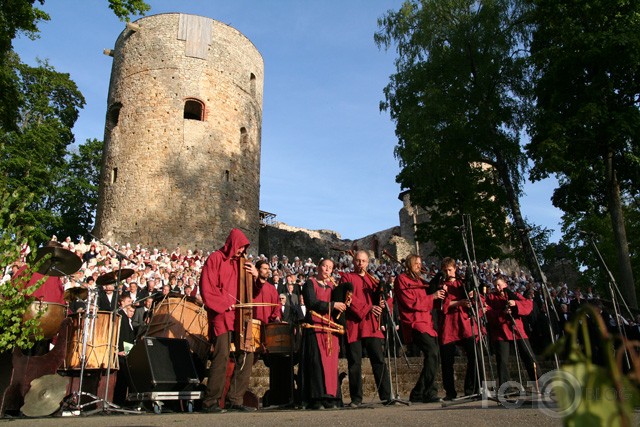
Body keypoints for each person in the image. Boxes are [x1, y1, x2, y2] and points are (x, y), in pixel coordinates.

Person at [199, 228, 258, 413]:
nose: (241, 251)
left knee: (247, 355)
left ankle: (235, 399)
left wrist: (256, 277)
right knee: (222, 355)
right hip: (222, 315)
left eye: (244, 248)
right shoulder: (215, 258)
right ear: (232, 243)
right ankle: (211, 402)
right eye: (239, 247)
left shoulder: (243, 263)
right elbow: (207, 286)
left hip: (240, 316)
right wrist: (226, 303)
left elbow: (253, 293)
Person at [340, 250, 391, 407]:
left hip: (372, 324)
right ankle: (356, 398)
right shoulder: (346, 277)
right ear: (353, 262)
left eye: (363, 261)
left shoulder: (374, 281)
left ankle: (387, 396)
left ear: (368, 263)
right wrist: (369, 307)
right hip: (355, 323)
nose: (360, 263)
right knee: (354, 362)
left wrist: (383, 302)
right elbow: (348, 297)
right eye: (357, 260)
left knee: (379, 360)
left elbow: (386, 299)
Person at [395, 254, 445, 403]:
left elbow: (431, 298)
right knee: (432, 353)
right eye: (416, 263)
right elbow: (410, 302)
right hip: (414, 323)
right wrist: (433, 297)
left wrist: (438, 291)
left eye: (420, 263)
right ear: (409, 264)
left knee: (434, 357)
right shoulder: (401, 280)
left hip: (427, 323)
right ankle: (428, 391)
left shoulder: (420, 281)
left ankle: (420, 392)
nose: (419, 266)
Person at [300, 258, 346, 409]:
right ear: (318, 267)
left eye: (330, 267)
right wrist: (332, 305)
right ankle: (317, 398)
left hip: (331, 329)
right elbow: (312, 303)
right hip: (315, 327)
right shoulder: (309, 284)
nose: (327, 270)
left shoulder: (333, 287)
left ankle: (331, 397)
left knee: (331, 364)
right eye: (325, 266)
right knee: (316, 363)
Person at [439, 257, 484, 401]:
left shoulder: (463, 283)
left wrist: (473, 294)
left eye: (450, 270)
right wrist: (458, 302)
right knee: (447, 362)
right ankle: (450, 392)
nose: (448, 272)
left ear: (455, 269)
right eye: (445, 270)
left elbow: (479, 300)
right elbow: (440, 304)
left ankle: (472, 388)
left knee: (475, 356)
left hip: (465, 323)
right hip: (448, 326)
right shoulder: (440, 285)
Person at [485, 275, 538, 388]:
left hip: (517, 329)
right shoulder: (491, 298)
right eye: (495, 286)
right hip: (501, 332)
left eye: (499, 285)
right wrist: (502, 312)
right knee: (502, 361)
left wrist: (515, 304)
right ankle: (505, 388)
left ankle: (539, 383)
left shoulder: (515, 295)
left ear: (505, 284)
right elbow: (488, 313)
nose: (498, 288)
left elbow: (528, 306)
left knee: (529, 356)